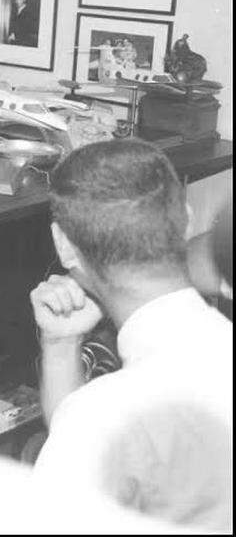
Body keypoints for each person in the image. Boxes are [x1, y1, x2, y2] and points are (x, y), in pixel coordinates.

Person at [29, 140, 232, 530]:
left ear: (64, 246)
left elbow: (83, 445)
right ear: (186, 220)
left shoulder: (99, 417)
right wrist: (61, 343)